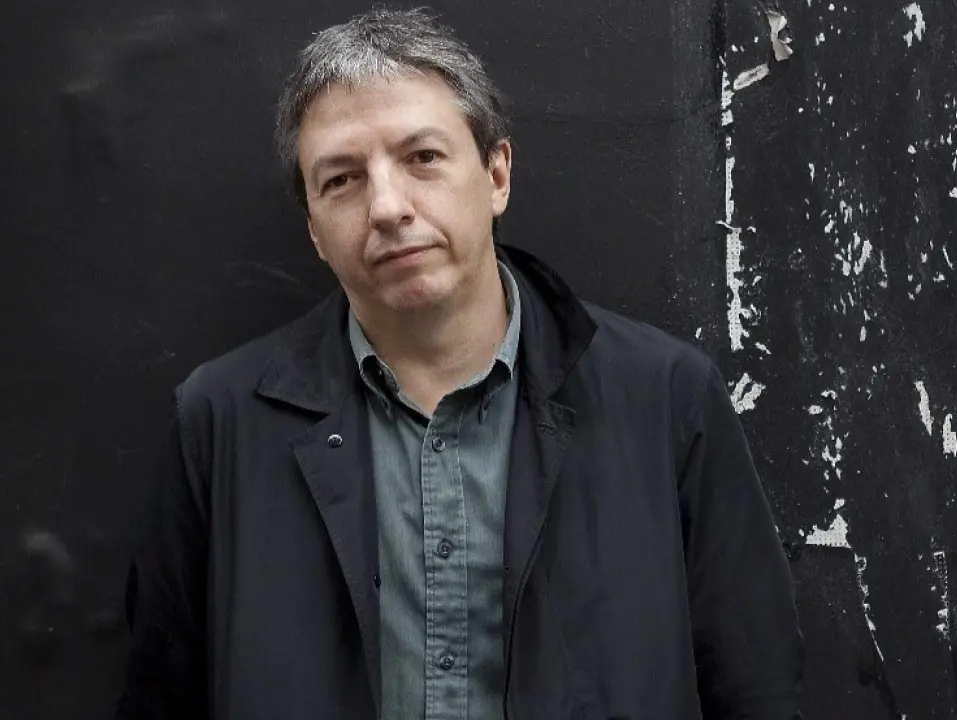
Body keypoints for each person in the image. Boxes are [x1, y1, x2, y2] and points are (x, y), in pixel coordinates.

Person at [115, 8, 802, 719]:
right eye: (342, 179)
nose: (387, 207)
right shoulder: (220, 422)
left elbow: (757, 691)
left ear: (496, 174)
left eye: (423, 157)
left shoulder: (665, 399)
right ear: (315, 230)